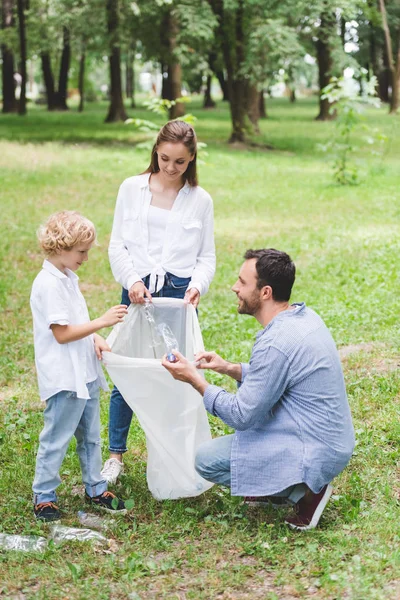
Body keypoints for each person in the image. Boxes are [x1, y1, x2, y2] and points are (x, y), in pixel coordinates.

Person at [162, 248, 355, 531]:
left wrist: (196, 381)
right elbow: (280, 377)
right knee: (246, 439)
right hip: (330, 438)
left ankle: (304, 493)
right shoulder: (302, 317)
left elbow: (242, 415)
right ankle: (277, 484)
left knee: (206, 460)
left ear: (265, 292)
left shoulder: (276, 341)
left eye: (242, 282)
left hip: (316, 447)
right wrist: (230, 368)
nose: (234, 287)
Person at [101, 120, 216, 483]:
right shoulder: (131, 188)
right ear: (155, 151)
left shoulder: (200, 200)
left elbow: (206, 256)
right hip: (137, 290)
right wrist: (132, 280)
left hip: (178, 294)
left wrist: (197, 286)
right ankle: (115, 455)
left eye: (179, 162)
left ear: (192, 159)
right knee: (126, 369)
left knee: (177, 373)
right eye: (164, 158)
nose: (170, 167)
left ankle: (172, 453)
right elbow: (117, 244)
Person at [30, 211, 129, 522]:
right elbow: (61, 333)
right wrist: (102, 321)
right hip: (64, 377)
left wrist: (96, 337)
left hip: (83, 373)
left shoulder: (68, 279)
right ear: (61, 248)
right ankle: (44, 495)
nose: (86, 258)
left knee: (90, 436)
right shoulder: (48, 284)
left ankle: (96, 487)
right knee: (56, 438)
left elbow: (76, 323)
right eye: (81, 252)